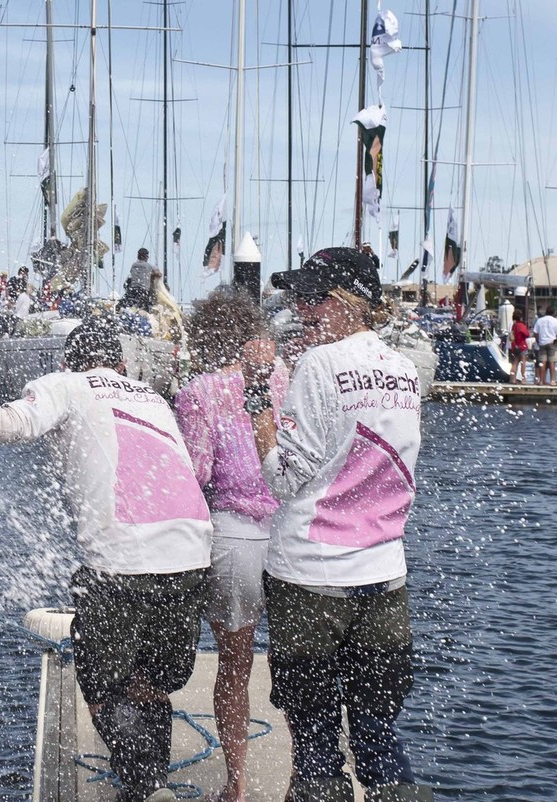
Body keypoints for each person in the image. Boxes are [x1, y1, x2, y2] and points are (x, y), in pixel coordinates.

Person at [0, 319, 213, 802]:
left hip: (123, 560)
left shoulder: (66, 383)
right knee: (149, 681)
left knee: (103, 686)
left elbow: (8, 424)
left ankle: (147, 789)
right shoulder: (151, 396)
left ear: (68, 361)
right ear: (121, 364)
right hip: (192, 551)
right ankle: (150, 782)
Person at [240, 248, 432, 802]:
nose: (302, 308)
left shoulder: (319, 365)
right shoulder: (404, 370)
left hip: (309, 578)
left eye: (315, 297)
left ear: (348, 302)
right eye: (300, 297)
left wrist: (257, 394)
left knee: (317, 743)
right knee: (377, 735)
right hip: (384, 578)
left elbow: (281, 478)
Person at [174, 288, 289, 802]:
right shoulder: (286, 379)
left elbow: (198, 472)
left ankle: (237, 781)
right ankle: (305, 779)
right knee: (303, 667)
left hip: (234, 537)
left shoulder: (201, 391)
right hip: (291, 535)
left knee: (234, 664)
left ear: (205, 336)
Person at [531, 306, 557, 386]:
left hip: (542, 343)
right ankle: (552, 380)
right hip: (552, 343)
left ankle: (542, 381)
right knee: (552, 362)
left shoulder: (540, 320)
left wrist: (538, 341)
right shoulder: (555, 321)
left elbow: (535, 333)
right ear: (553, 313)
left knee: (542, 362)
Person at [508, 309, 531, 384]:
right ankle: (523, 379)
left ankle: (512, 379)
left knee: (515, 363)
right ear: (520, 317)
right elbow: (527, 334)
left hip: (514, 346)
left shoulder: (513, 325)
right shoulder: (521, 325)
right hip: (522, 346)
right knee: (523, 363)